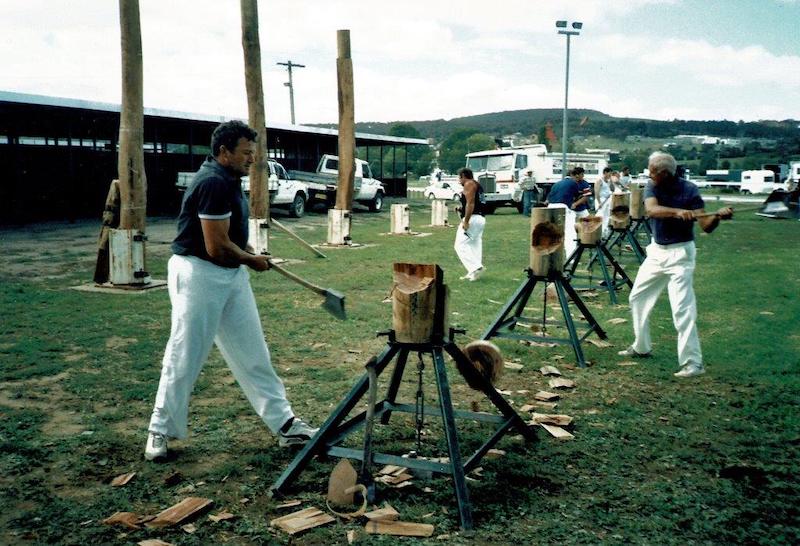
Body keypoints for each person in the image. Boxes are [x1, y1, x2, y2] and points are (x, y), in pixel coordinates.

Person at [145, 120, 318, 461]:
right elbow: (216, 246)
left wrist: (250, 254)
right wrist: (252, 260)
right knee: (185, 353)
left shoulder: (229, 178)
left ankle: (285, 425)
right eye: (246, 153)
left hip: (230, 274)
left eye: (253, 153)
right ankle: (159, 430)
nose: (252, 159)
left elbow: (231, 238)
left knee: (254, 352)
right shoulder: (212, 182)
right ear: (223, 152)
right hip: (199, 273)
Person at [618, 151, 733, 378]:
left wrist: (718, 216)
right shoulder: (652, 186)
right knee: (637, 297)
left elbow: (706, 226)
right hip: (657, 252)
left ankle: (693, 363)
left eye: (653, 171)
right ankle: (641, 347)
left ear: (665, 173)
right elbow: (651, 210)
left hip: (681, 254)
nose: (649, 174)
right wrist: (679, 212)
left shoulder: (689, 190)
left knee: (682, 308)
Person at [545, 166, 592, 259]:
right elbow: (577, 196)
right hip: (564, 207)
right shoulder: (573, 183)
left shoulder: (556, 184)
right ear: (575, 176)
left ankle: (549, 257)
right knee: (570, 233)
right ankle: (571, 258)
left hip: (551, 208)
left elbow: (548, 199)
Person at [454, 167, 485, 281]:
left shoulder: (469, 184)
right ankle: (473, 274)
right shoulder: (477, 184)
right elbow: (474, 202)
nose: (459, 181)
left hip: (473, 218)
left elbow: (471, 204)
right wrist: (461, 209)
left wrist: (466, 221)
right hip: (480, 218)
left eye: (459, 178)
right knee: (474, 244)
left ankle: (475, 267)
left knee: (459, 245)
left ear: (463, 176)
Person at [594, 167, 615, 237]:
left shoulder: (608, 181)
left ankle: (603, 233)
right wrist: (599, 202)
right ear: (605, 172)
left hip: (607, 200)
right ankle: (596, 232)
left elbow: (613, 189)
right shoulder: (599, 180)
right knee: (600, 216)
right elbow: (596, 192)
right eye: (610, 173)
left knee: (607, 217)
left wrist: (611, 181)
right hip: (601, 200)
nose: (610, 175)